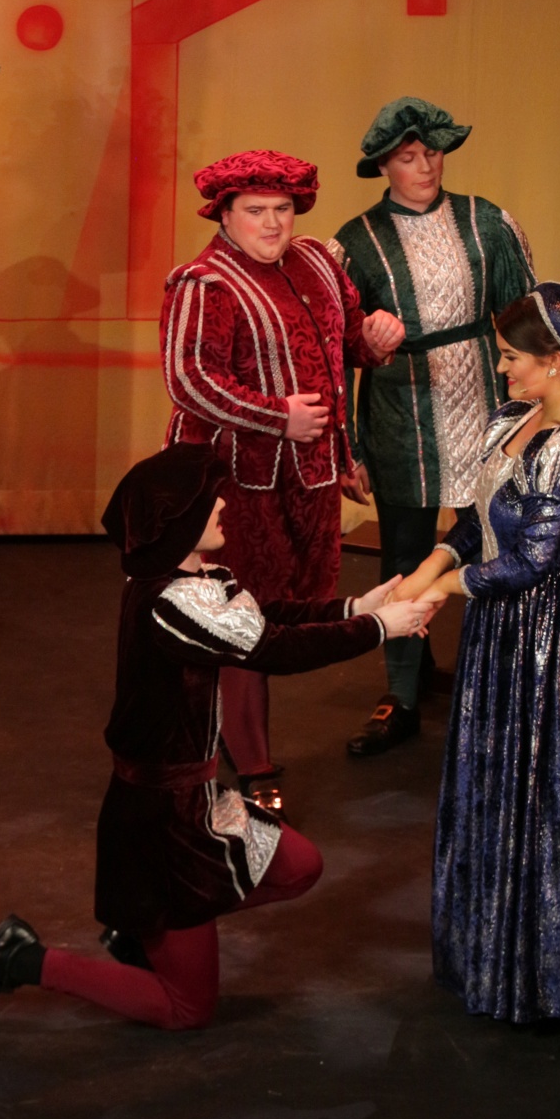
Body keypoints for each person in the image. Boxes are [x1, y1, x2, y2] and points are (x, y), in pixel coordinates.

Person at [0, 443, 432, 1031]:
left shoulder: (196, 580)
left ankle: (144, 931)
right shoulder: (169, 604)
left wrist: (354, 606)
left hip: (196, 802)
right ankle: (24, 959)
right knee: (188, 1009)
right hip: (162, 823)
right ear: (175, 521)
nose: (223, 504)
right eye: (208, 500)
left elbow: (266, 618)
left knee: (300, 866)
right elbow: (273, 649)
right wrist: (377, 628)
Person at [397, 282, 560, 1024]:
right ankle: (494, 958)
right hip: (503, 632)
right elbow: (476, 526)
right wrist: (419, 576)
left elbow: (529, 563)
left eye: (513, 357)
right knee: (499, 784)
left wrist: (440, 593)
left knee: (553, 794)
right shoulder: (512, 419)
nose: (503, 368)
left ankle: (554, 979)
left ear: (557, 360)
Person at [160, 149, 404, 813]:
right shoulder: (204, 283)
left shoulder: (318, 262)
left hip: (309, 478)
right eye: (256, 211)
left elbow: (342, 349)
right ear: (225, 215)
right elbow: (189, 380)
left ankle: (236, 741)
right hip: (232, 485)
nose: (272, 223)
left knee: (284, 614)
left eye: (283, 209)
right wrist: (277, 417)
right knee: (239, 617)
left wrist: (377, 340)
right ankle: (252, 761)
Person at [328, 97, 535, 756]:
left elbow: (524, 318)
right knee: (406, 552)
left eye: (432, 153)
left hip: (482, 400)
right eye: (408, 157)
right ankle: (403, 693)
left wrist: (534, 411)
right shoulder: (357, 242)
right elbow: (333, 352)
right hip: (401, 411)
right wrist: (347, 446)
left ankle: (499, 685)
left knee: (498, 545)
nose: (424, 167)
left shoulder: (486, 222)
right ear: (383, 165)